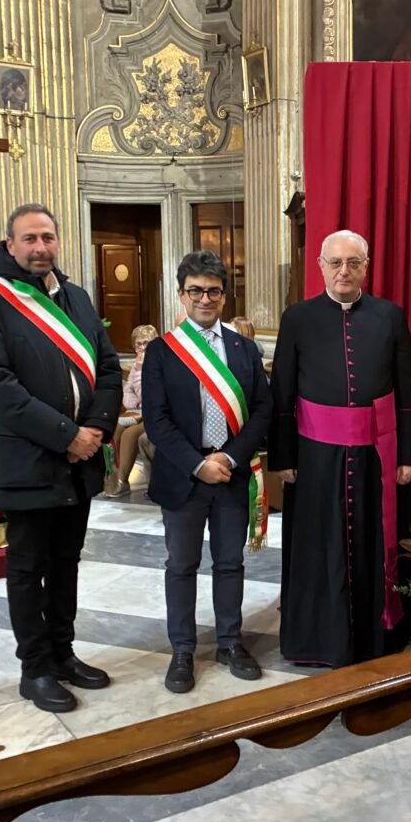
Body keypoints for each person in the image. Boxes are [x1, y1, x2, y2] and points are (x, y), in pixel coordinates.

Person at [0, 203, 122, 713]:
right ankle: (34, 669)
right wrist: (66, 435)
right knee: (28, 567)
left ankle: (63, 653)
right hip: (26, 459)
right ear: (10, 245)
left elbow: (108, 367)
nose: (40, 247)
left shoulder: (76, 297)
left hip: (79, 460)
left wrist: (96, 428)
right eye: (29, 239)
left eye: (48, 237)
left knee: (67, 562)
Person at [268, 230, 411, 668]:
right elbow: (282, 392)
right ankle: (318, 641)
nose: (344, 271)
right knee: (320, 549)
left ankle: (378, 638)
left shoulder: (389, 317)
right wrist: (283, 457)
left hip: (377, 456)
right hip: (315, 457)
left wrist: (410, 454)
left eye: (353, 263)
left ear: (365, 268)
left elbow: (408, 389)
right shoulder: (298, 318)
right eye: (335, 262)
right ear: (320, 266)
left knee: (373, 545)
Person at [142, 250, 272, 694]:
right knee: (181, 564)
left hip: (231, 473)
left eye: (213, 291)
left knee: (230, 563)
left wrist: (230, 458)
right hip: (184, 474)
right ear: (181, 294)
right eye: (195, 290)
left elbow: (262, 411)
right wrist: (198, 464)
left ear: (224, 295)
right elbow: (156, 419)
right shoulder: (162, 351)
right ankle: (182, 649)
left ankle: (230, 642)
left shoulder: (244, 349)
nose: (204, 298)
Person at [106, 324, 158, 497]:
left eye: (146, 343)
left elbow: (149, 394)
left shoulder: (157, 363)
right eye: (139, 344)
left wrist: (142, 371)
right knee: (116, 429)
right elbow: (128, 390)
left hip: (155, 413)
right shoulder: (136, 365)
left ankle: (123, 481)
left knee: (130, 435)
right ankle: (113, 476)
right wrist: (133, 403)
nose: (142, 348)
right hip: (139, 411)